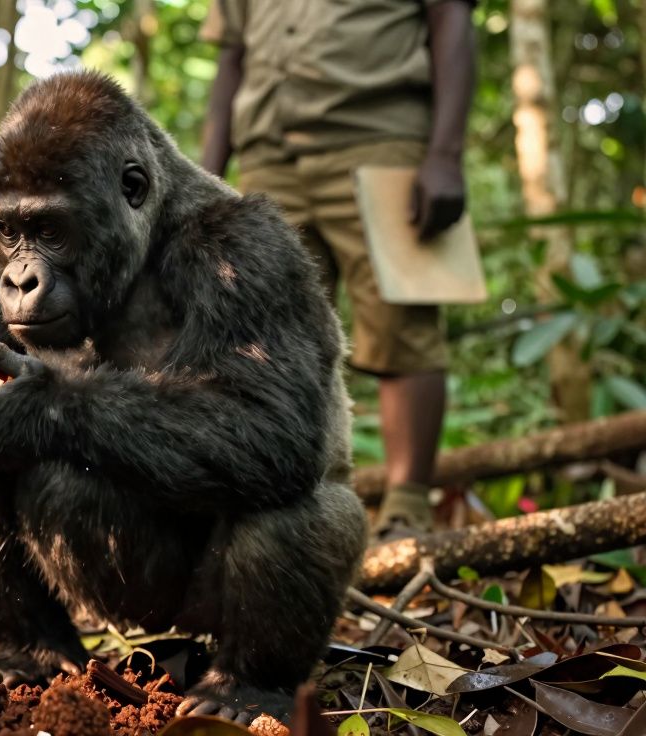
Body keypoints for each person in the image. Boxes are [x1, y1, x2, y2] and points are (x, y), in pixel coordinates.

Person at [200, 0, 476, 538]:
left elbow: (451, 19)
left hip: (382, 139)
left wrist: (445, 154)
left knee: (403, 325)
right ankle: (288, 512)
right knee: (267, 344)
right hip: (267, 154)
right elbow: (232, 55)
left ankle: (407, 510)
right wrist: (205, 178)